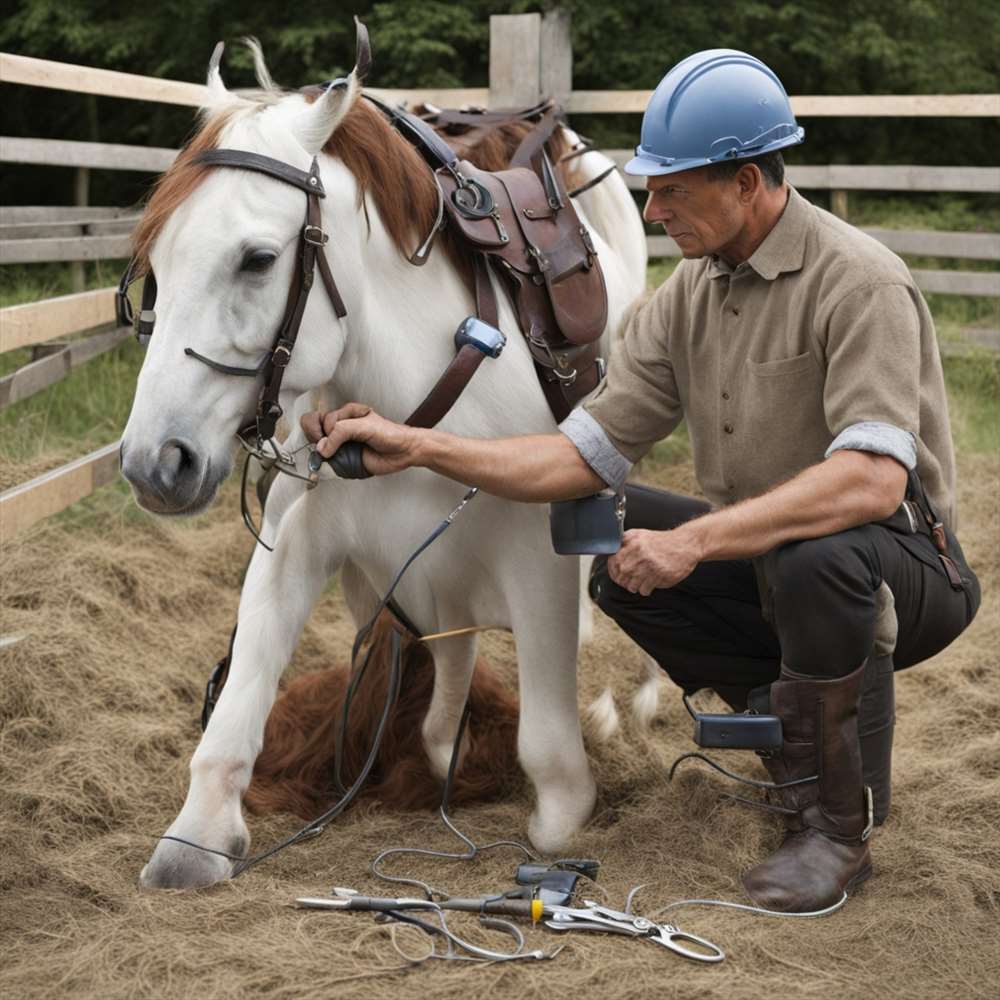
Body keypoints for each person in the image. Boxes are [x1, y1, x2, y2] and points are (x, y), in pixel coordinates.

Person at [300, 49, 980, 912]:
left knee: (818, 558)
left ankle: (835, 832)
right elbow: (577, 457)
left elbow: (872, 484)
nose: (650, 211)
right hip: (783, 566)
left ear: (745, 182)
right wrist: (420, 444)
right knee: (600, 525)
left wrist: (695, 539)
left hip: (905, 570)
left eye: (671, 190)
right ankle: (795, 727)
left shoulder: (861, 283)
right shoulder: (685, 298)